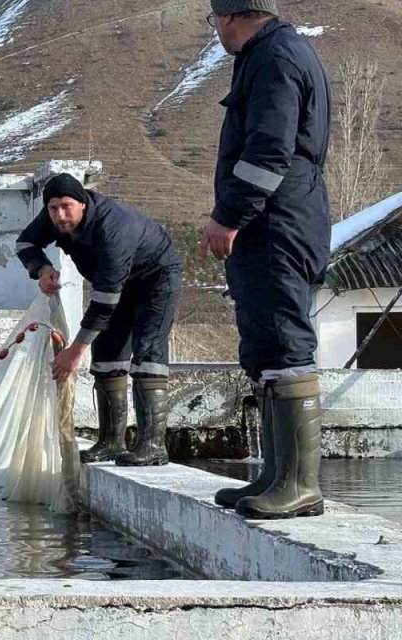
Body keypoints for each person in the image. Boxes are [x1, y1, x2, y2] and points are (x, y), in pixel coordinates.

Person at [200, 0, 331, 519]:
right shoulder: (271, 53)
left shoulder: (276, 57)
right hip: (273, 219)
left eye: (213, 21)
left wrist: (228, 216)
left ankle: (300, 484)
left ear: (230, 15)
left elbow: (269, 151)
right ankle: (278, 475)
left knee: (283, 334)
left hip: (276, 220)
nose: (215, 32)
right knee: (265, 341)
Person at [17, 174, 182, 467]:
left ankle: (153, 445)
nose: (60, 215)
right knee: (106, 358)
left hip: (155, 279)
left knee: (147, 356)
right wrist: (41, 268)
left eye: (66, 207)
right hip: (114, 285)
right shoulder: (52, 217)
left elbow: (104, 304)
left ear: (82, 203)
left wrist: (74, 352)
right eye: (54, 208)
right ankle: (110, 442)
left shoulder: (113, 229)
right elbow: (25, 243)